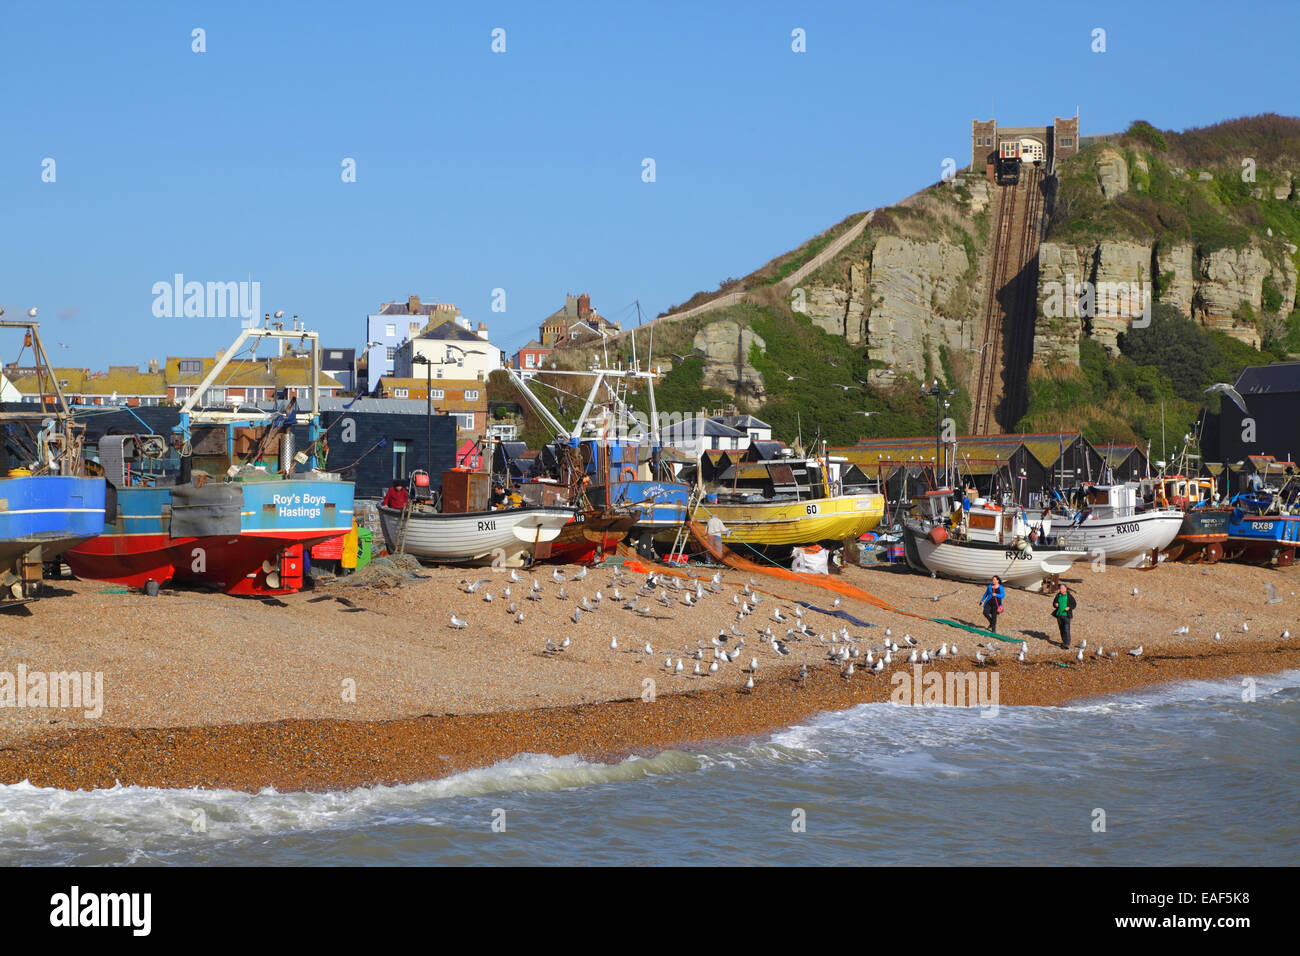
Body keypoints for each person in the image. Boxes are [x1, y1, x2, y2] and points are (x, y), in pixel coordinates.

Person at [1051, 582, 1077, 649]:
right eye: (1060, 588)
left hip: (1066, 615)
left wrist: (1069, 607)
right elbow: (1054, 603)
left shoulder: (1069, 596)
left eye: (1062, 588)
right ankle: (1064, 642)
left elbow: (1074, 604)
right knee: (1061, 629)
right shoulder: (1058, 595)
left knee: (1066, 629)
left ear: (1066, 589)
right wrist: (1055, 604)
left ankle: (1067, 644)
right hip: (1059, 614)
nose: (1061, 589)